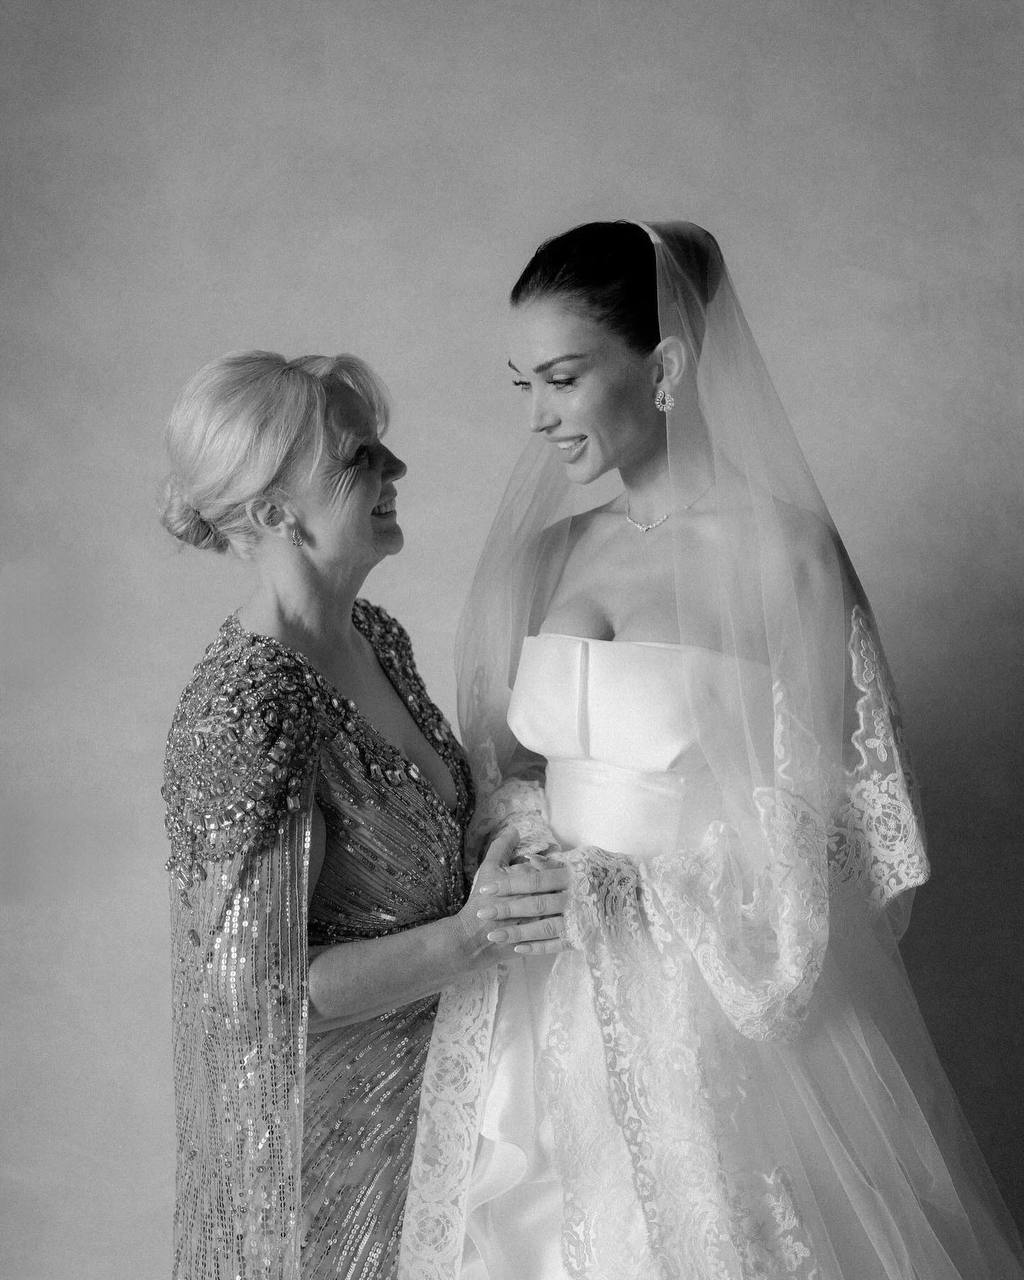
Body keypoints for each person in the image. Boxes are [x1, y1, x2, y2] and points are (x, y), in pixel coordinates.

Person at [397, 224, 1024, 1279]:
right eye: (522, 384)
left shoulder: (788, 555)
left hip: (707, 1000)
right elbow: (499, 773)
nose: (537, 415)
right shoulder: (546, 553)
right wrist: (515, 842)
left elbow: (839, 830)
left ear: (666, 367)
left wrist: (648, 885)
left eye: (562, 377)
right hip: (540, 992)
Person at [159, 351, 565, 1279]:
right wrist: (474, 936)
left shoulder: (373, 635)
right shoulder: (248, 710)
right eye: (358, 458)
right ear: (274, 512)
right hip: (336, 1160)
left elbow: (429, 846)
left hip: (448, 1104)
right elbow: (257, 1002)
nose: (396, 469)